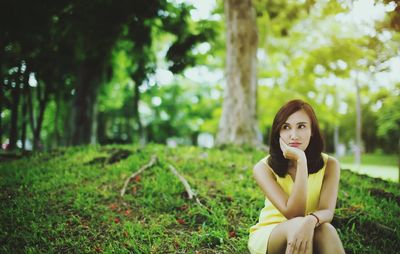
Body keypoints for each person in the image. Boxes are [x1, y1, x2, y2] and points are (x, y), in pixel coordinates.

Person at [248, 99, 345, 254]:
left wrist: (311, 219)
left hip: (310, 227)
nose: (294, 135)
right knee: (297, 224)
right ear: (278, 132)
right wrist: (301, 161)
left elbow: (327, 211)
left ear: (312, 130)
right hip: (271, 234)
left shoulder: (330, 165)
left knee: (326, 229)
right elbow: (294, 214)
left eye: (301, 126)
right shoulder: (263, 168)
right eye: (286, 127)